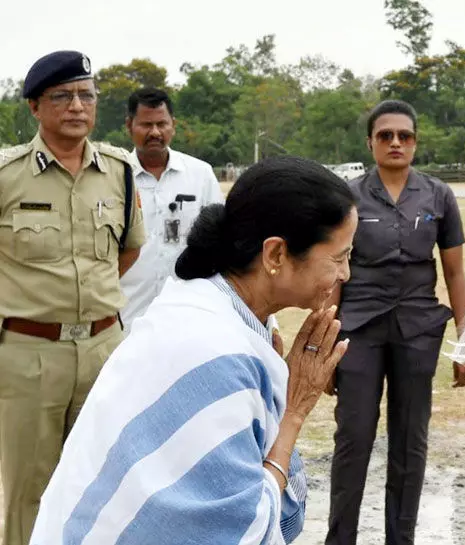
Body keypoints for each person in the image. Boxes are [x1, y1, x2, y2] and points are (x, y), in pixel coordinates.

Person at [29, 156, 357, 544]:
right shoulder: (216, 349)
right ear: (275, 255)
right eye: (338, 257)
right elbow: (243, 529)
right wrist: (294, 410)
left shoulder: (211, 308)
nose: (345, 274)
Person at [0, 50, 146, 545]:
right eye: (62, 96)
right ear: (35, 107)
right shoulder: (6, 176)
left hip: (105, 348)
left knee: (103, 481)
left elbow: (126, 252)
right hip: (29, 354)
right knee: (30, 489)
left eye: (86, 95)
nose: (77, 106)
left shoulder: (120, 171)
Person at [326, 99, 465, 545]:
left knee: (410, 441)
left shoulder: (438, 196)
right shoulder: (346, 196)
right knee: (353, 437)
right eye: (385, 135)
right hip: (359, 330)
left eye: (404, 136)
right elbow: (333, 270)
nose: (395, 143)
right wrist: (326, 343)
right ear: (371, 142)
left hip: (418, 330)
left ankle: (400, 539)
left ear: (415, 142)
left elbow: (455, 273)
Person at [119, 87, 224, 330]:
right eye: (146, 125)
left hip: (189, 316)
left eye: (161, 124)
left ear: (173, 125)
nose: (155, 132)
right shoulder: (116, 176)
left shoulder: (200, 175)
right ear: (129, 125)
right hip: (127, 318)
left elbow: (220, 241)